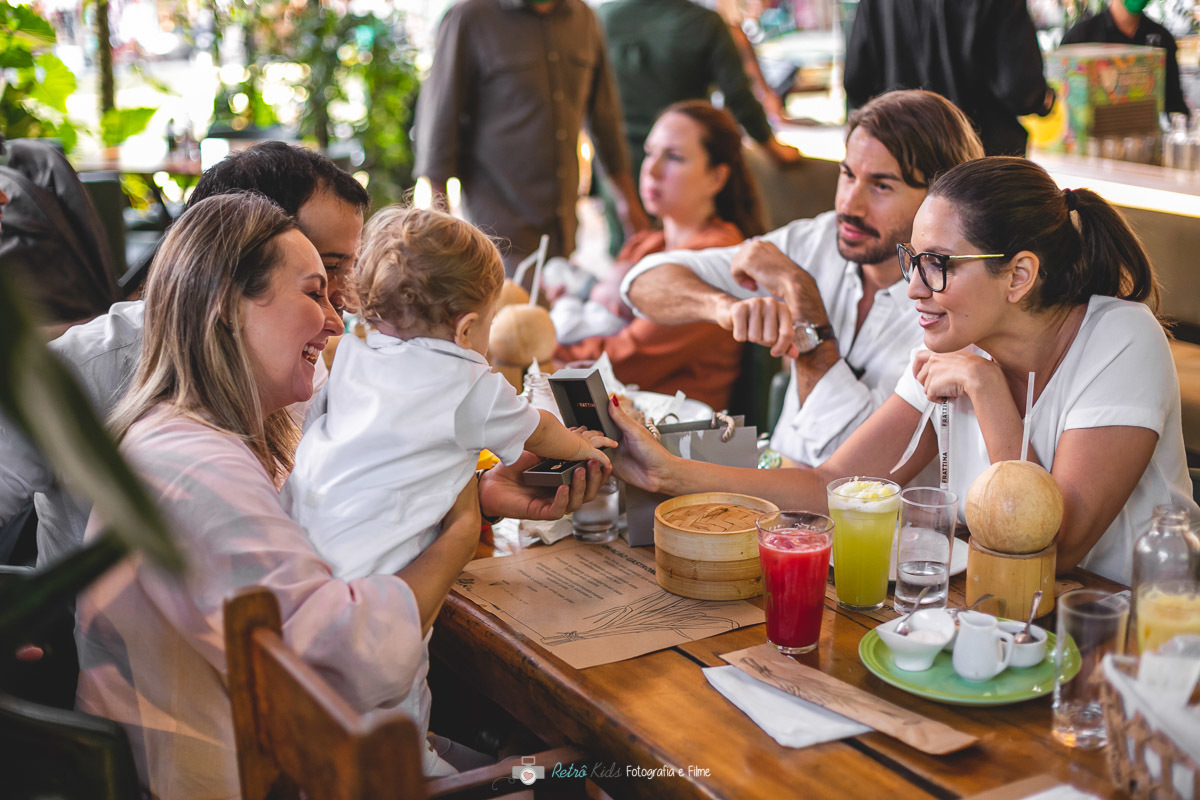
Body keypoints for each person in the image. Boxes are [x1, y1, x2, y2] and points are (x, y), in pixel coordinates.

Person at [74, 193, 609, 798]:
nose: (337, 322)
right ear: (227, 305)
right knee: (582, 773)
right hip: (247, 778)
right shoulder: (198, 470)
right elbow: (349, 664)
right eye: (313, 292)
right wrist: (460, 533)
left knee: (512, 744)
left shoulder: (183, 439)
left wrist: (475, 497)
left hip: (230, 758)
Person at [612, 156, 1197, 585]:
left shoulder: (1119, 338)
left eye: (939, 264)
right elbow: (830, 486)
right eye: (912, 260)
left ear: (1019, 276)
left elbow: (1056, 544)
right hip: (1003, 619)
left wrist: (987, 390)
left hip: (1129, 638)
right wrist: (672, 473)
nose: (914, 286)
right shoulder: (956, 347)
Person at [0, 142, 370, 570]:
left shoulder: (298, 360)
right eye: (323, 273)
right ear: (225, 262)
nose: (345, 301)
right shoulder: (80, 371)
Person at [621, 90, 983, 466]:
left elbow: (849, 474)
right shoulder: (823, 237)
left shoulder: (953, 308)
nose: (848, 204)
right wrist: (722, 307)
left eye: (881, 186)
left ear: (940, 199)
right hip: (768, 492)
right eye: (847, 174)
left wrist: (802, 301)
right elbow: (641, 282)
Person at [285, 207, 614, 581]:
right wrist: (579, 448)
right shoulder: (468, 383)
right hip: (377, 569)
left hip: (302, 537)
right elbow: (538, 430)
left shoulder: (349, 354)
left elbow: (316, 430)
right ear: (466, 329)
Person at [554, 101, 765, 410]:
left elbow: (623, 362)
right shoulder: (646, 243)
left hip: (677, 437)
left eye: (674, 157)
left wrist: (536, 346)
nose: (651, 170)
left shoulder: (719, 257)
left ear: (717, 178)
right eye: (650, 152)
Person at [413, 0, 651, 273]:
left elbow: (604, 120)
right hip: (498, 230)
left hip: (563, 228)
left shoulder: (582, 18)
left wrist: (628, 204)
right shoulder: (470, 18)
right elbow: (440, 125)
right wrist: (440, 228)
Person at [596, 0, 800, 184]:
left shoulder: (600, 18)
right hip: (681, 165)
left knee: (632, 225)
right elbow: (739, 98)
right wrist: (772, 149)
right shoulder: (703, 23)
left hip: (618, 168)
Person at [844, 0, 1056, 156]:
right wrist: (1045, 101)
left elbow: (856, 83)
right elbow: (1020, 90)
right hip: (982, 162)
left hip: (904, 158)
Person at [1061, 0, 1188, 116]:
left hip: (1148, 135)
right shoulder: (1080, 38)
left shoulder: (1162, 39)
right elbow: (1063, 105)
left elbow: (1174, 104)